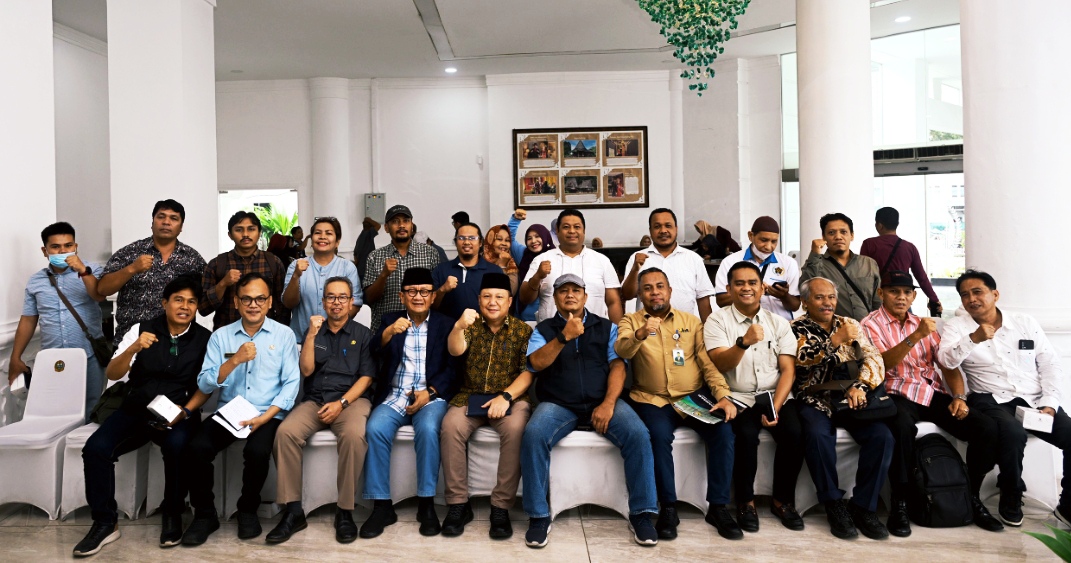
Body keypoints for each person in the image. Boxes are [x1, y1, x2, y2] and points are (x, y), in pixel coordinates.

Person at [72, 276, 211, 557]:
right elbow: (113, 372)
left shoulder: (205, 339)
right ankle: (105, 522)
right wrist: (134, 348)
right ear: (165, 302)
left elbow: (207, 385)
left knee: (177, 447)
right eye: (178, 300)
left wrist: (185, 411)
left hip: (178, 412)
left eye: (191, 302)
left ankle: (172, 513)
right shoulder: (141, 329)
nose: (185, 307)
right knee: (96, 449)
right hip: (136, 408)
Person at [860, 270, 1003, 536]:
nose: (901, 297)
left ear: (914, 296)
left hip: (929, 392)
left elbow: (947, 365)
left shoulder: (922, 323)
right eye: (894, 291)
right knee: (901, 428)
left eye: (907, 292)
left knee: (985, 428)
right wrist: (915, 336)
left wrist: (959, 397)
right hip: (894, 392)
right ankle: (900, 502)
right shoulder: (870, 324)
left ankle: (970, 496)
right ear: (881, 294)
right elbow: (880, 364)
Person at [522, 274, 658, 548]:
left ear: (585, 296)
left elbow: (618, 366)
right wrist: (563, 337)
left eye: (576, 290)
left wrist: (608, 404)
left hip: (602, 401)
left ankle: (642, 513)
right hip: (559, 404)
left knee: (638, 434)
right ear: (555, 298)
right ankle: (538, 515)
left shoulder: (606, 326)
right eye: (563, 291)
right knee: (533, 435)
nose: (570, 295)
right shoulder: (544, 329)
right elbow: (535, 363)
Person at [938, 269, 1071, 528]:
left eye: (978, 292)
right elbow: (946, 361)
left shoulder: (1024, 322)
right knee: (1012, 434)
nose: (971, 299)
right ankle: (1011, 493)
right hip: (989, 398)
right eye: (965, 295)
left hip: (1033, 399)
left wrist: (1050, 403)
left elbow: (1049, 364)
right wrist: (973, 339)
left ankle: (1068, 505)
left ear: (995, 294)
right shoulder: (958, 327)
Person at [616, 268, 741, 540]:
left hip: (691, 397)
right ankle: (669, 508)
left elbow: (707, 364)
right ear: (640, 295)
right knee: (658, 436)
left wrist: (723, 395)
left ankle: (718, 507)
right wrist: (640, 333)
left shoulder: (691, 322)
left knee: (723, 432)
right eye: (647, 288)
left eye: (660, 286)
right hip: (652, 399)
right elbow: (621, 349)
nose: (655, 292)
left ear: (670, 291)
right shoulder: (630, 321)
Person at [180, 273, 300, 546]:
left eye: (260, 299)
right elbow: (204, 382)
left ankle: (247, 510)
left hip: (267, 412)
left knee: (257, 451)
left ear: (270, 302)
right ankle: (205, 514)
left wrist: (265, 417)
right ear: (236, 302)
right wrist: (234, 360)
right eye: (246, 299)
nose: (253, 304)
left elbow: (291, 383)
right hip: (230, 411)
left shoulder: (284, 335)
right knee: (196, 448)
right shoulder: (221, 336)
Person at [267, 277, 376, 545]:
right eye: (331, 297)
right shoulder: (313, 331)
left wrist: (342, 404)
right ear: (324, 302)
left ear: (351, 302)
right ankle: (293, 510)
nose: (337, 302)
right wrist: (311, 335)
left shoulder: (363, 334)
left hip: (351, 401)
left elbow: (366, 378)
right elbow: (306, 371)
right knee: (285, 433)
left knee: (353, 436)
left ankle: (345, 510)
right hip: (316, 400)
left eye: (342, 297)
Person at [705, 262, 806, 533]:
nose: (746, 288)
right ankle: (745, 502)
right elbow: (721, 363)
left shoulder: (779, 323)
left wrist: (775, 407)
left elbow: (788, 370)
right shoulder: (717, 320)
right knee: (745, 436)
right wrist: (743, 342)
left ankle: (782, 501)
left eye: (752, 283)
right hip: (737, 396)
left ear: (762, 288)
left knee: (794, 433)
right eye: (739, 283)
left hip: (775, 394)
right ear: (729, 289)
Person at [360, 268, 458, 538]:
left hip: (430, 396)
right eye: (412, 291)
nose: (418, 297)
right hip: (396, 394)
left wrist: (431, 392)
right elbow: (373, 352)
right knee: (375, 429)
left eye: (424, 292)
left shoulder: (445, 324)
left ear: (433, 296)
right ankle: (382, 506)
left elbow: (453, 369)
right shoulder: (390, 320)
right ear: (402, 296)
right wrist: (388, 333)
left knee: (428, 429)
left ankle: (426, 504)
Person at [792, 277, 892, 540]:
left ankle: (864, 506)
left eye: (831, 297)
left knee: (882, 436)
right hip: (816, 399)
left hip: (851, 398)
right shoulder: (795, 328)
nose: (827, 303)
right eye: (819, 297)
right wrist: (834, 341)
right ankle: (833, 503)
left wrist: (861, 386)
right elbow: (801, 361)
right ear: (805, 302)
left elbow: (873, 357)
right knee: (817, 435)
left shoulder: (850, 324)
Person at [440, 273, 533, 539]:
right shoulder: (469, 325)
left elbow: (528, 372)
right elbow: (455, 350)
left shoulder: (523, 331)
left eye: (499, 297)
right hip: (470, 395)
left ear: (509, 301)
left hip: (510, 398)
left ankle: (501, 507)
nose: (493, 302)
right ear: (479, 300)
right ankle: (458, 504)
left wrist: (506, 396)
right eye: (487, 296)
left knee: (516, 429)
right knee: (450, 426)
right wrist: (458, 327)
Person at [10, 222, 106, 420]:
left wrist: (83, 270)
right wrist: (15, 357)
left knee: (91, 409)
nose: (63, 251)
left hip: (89, 354)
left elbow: (98, 295)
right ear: (45, 251)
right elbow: (28, 320)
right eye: (55, 247)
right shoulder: (35, 281)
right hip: (52, 357)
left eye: (68, 245)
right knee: (55, 412)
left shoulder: (93, 270)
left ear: (75, 247)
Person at [98, 199, 206, 346]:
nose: (166, 222)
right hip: (132, 341)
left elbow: (206, 297)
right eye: (161, 217)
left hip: (177, 344)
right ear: (152, 223)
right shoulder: (130, 252)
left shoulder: (193, 259)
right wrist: (132, 268)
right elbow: (102, 289)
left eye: (173, 218)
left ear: (181, 227)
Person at [519, 208, 623, 324]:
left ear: (584, 231)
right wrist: (537, 276)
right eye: (566, 227)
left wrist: (618, 333)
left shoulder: (602, 261)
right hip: (551, 332)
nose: (572, 231)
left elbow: (613, 302)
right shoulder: (541, 259)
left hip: (595, 332)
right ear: (557, 231)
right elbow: (525, 298)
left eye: (577, 227)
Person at [621, 208, 716, 321]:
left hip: (685, 329)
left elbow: (703, 300)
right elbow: (627, 295)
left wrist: (709, 329)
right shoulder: (637, 258)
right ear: (650, 231)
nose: (663, 230)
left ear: (676, 229)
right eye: (657, 226)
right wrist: (635, 270)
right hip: (646, 328)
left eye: (668, 226)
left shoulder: (693, 259)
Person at [201, 211, 288, 331]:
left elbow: (283, 306)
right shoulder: (217, 264)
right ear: (230, 235)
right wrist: (223, 283)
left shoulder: (273, 262)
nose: (245, 234)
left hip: (266, 335)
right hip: (227, 335)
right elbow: (203, 309)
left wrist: (279, 333)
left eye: (251, 229)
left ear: (259, 233)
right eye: (239, 230)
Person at [281, 216, 363, 341]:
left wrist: (333, 329)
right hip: (301, 339)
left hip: (336, 340)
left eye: (328, 233)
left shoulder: (347, 268)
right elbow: (288, 303)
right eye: (317, 233)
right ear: (312, 239)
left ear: (337, 241)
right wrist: (296, 276)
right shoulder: (296, 265)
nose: (322, 237)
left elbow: (355, 304)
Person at [363, 205, 442, 333]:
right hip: (386, 329)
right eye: (395, 221)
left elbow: (435, 296)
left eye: (406, 221)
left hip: (421, 330)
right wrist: (383, 275)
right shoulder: (375, 257)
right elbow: (369, 298)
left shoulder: (429, 253)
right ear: (386, 228)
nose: (401, 225)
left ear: (412, 225)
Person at [714, 216, 801, 320]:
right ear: (751, 236)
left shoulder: (788, 263)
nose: (768, 247)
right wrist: (753, 292)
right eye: (764, 240)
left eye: (774, 241)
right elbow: (721, 301)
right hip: (742, 324)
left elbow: (795, 306)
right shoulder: (730, 262)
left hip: (780, 325)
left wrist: (784, 296)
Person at [860, 207, 942, 316]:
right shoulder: (909, 247)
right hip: (902, 299)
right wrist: (934, 299)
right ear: (897, 224)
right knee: (906, 324)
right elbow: (921, 277)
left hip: (879, 299)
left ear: (879, 225)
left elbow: (863, 276)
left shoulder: (869, 244)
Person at [800, 213, 880, 321]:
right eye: (831, 233)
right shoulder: (817, 264)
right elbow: (804, 290)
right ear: (824, 237)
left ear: (852, 235)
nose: (838, 237)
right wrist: (814, 254)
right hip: (833, 329)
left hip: (867, 328)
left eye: (843, 232)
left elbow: (878, 301)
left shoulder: (868, 263)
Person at [431, 223, 504, 320]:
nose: (466, 242)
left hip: (483, 328)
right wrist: (442, 290)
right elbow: (430, 306)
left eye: (472, 238)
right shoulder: (441, 270)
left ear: (480, 242)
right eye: (461, 238)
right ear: (456, 242)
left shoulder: (495, 271)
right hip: (448, 328)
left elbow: (502, 306)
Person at [512, 219, 555, 322]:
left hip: (548, 318)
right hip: (523, 317)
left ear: (545, 237)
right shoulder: (523, 254)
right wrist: (515, 220)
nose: (533, 241)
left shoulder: (555, 256)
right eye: (529, 238)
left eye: (537, 236)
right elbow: (510, 239)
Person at [485, 224, 520, 295]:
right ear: (490, 240)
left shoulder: (511, 264)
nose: (504, 243)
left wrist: (503, 266)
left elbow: (510, 292)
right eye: (499, 239)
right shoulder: (479, 262)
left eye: (507, 240)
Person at [351, 216, 381, 282]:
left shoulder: (361, 236)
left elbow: (356, 255)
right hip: (366, 271)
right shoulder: (368, 233)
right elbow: (378, 225)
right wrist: (369, 220)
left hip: (361, 270)